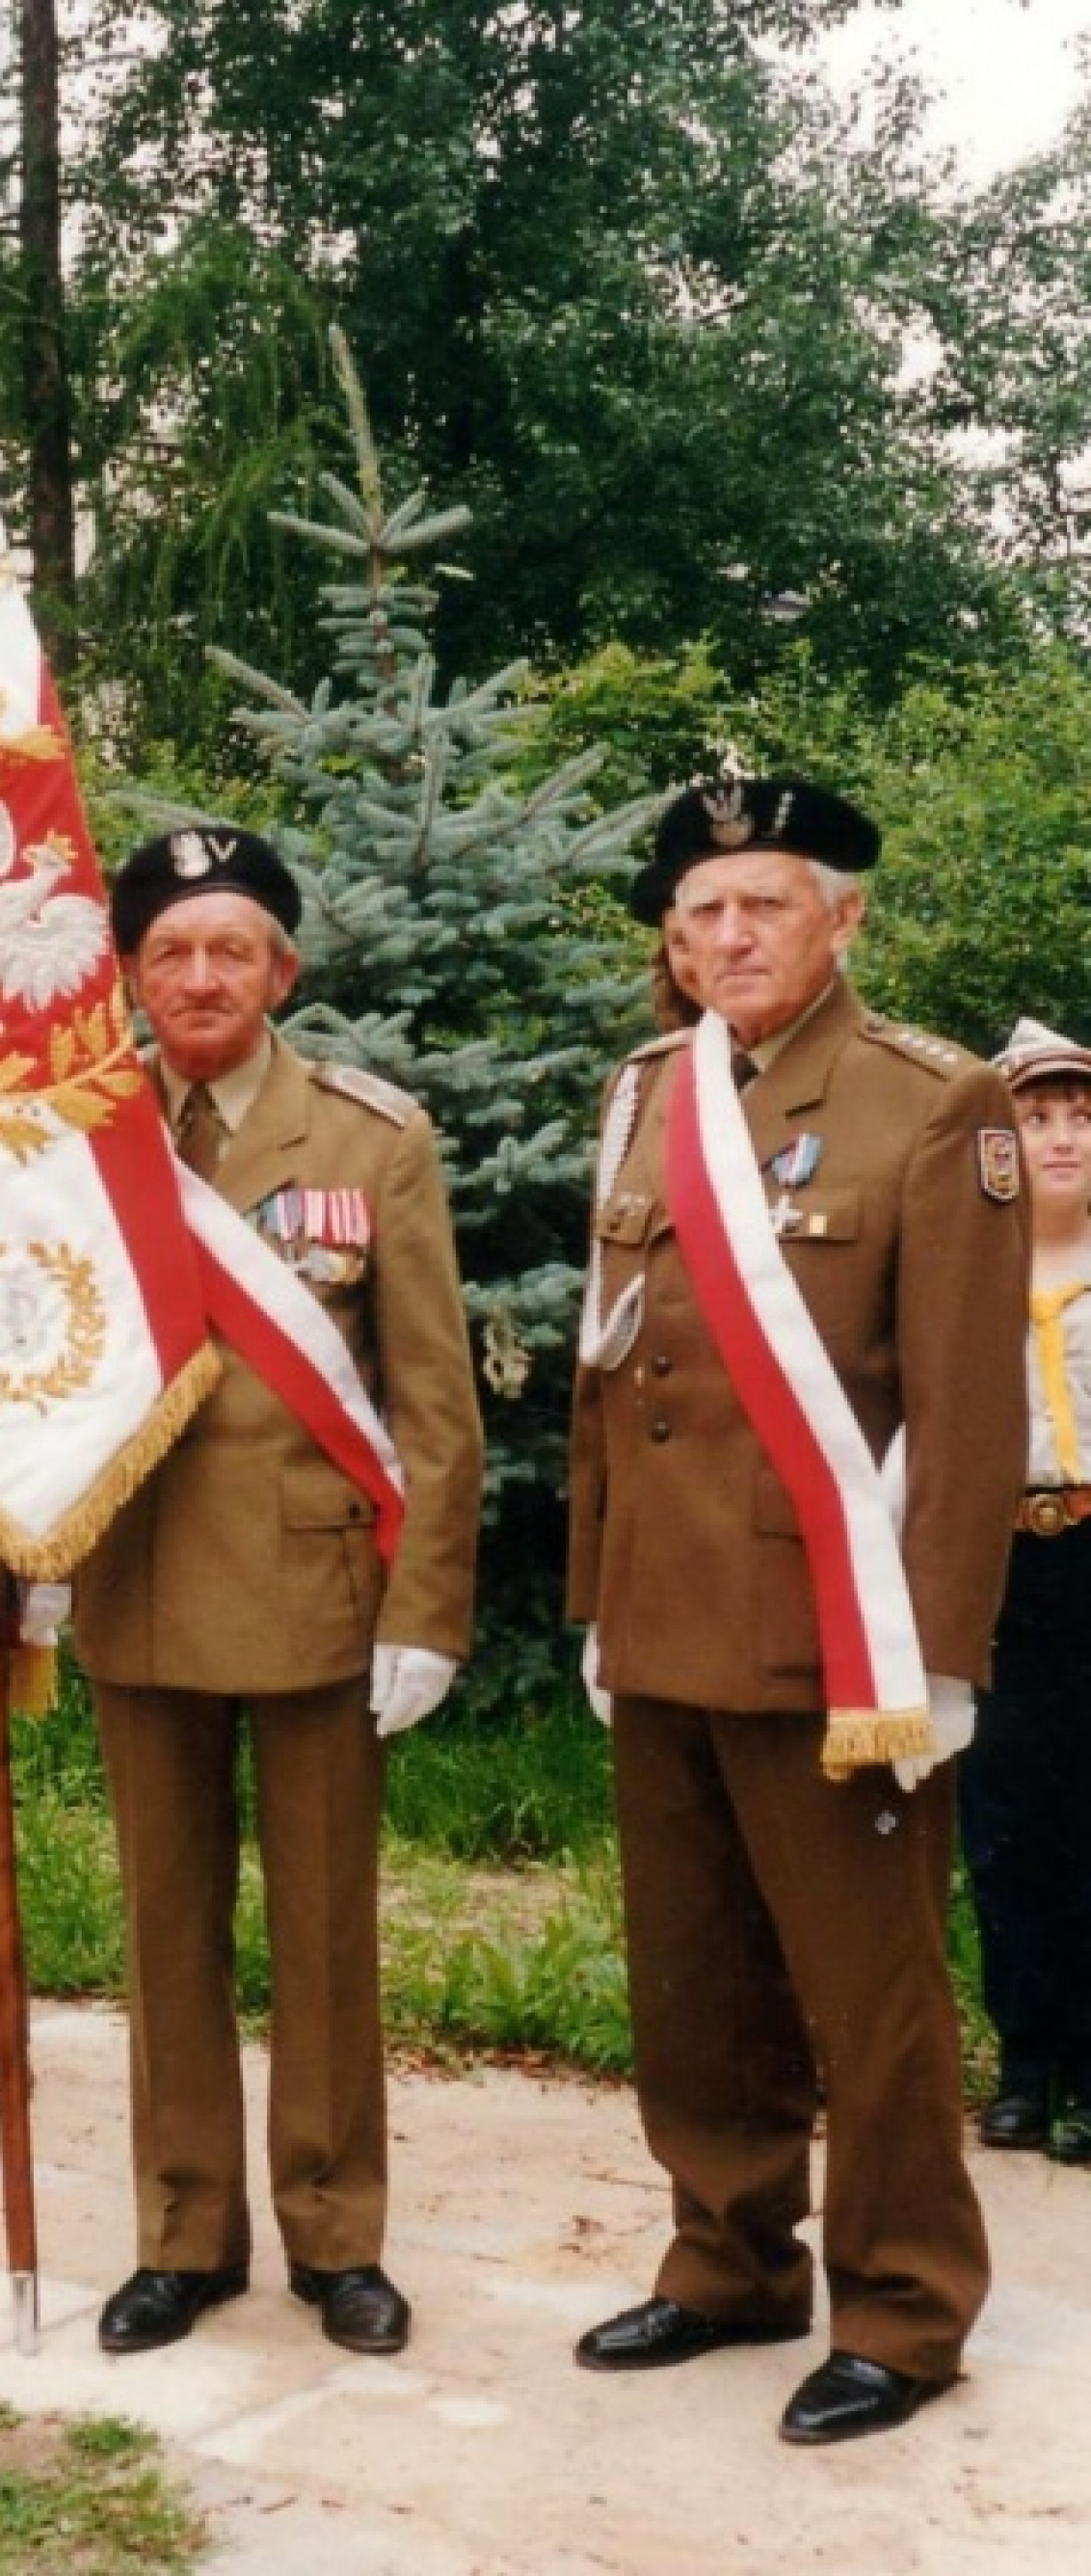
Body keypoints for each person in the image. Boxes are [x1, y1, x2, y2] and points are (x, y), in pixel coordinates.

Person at [568, 774, 1029, 2445]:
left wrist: (943, 1653)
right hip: (663, 1614)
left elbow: (970, 1413)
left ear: (844, 919)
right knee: (693, 1978)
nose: (730, 934)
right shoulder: (646, 1092)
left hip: (840, 1635)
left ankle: (903, 2306)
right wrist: (596, 1602)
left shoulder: (937, 1100)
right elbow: (611, 1377)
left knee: (870, 1994)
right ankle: (729, 2260)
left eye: (765, 901)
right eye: (700, 911)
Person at [76, 825, 484, 2360]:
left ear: (283, 971)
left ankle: (335, 2237)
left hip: (318, 1594)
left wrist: (425, 1611)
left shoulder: (369, 1137)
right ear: (132, 974)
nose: (200, 977)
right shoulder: (79, 1134)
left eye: (230, 950)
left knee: (322, 1935)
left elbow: (435, 1400)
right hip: (136, 1580)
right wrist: (32, 1551)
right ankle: (183, 2235)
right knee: (165, 1932)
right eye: (172, 951)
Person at [959, 1017, 1091, 2167]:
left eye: (1082, 1118)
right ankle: (1026, 2057)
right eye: (1036, 1117)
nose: (1061, 1138)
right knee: (1007, 1816)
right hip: (1004, 1561)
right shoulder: (969, 1272)